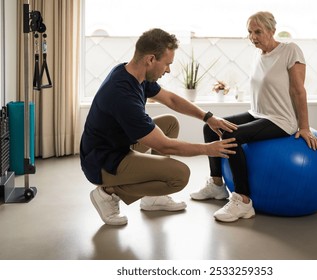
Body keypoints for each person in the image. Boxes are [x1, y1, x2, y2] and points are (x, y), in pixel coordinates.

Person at [80, 28, 238, 226]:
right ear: (150, 59)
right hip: (102, 161)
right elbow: (165, 146)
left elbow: (171, 99)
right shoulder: (122, 95)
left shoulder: (135, 74)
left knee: (169, 122)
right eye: (167, 64)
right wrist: (208, 149)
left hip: (116, 144)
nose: (169, 70)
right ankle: (108, 193)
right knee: (179, 176)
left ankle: (152, 198)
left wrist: (208, 117)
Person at [190, 11, 317, 223]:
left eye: (258, 31)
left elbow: (299, 90)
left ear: (272, 30)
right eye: (250, 32)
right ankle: (216, 185)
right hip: (257, 113)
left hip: (280, 120)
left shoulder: (290, 50)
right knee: (210, 127)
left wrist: (304, 127)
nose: (253, 37)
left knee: (233, 137)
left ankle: (243, 201)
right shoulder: (258, 56)